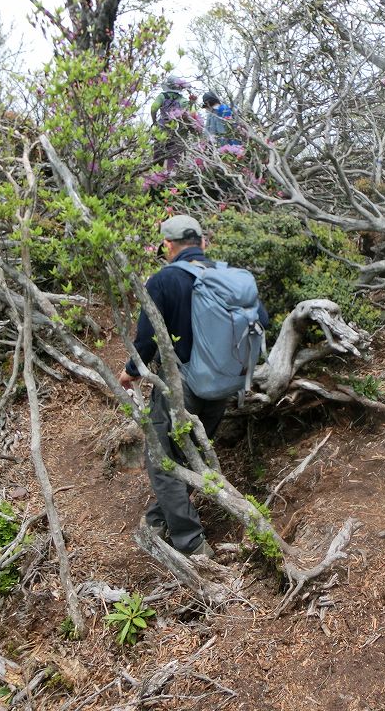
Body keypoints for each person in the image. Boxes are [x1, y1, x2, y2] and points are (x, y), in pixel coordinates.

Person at [118, 214, 268, 558]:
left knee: (161, 461)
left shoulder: (164, 280)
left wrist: (130, 372)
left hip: (181, 385)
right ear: (203, 242)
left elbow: (147, 339)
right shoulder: (226, 278)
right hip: (223, 386)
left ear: (168, 246)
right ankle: (158, 520)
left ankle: (192, 544)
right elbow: (261, 320)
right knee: (192, 456)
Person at [150, 75, 195, 170]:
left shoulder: (162, 96)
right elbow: (191, 114)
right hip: (177, 131)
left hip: (162, 129)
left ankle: (156, 179)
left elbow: (154, 108)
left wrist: (154, 122)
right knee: (174, 158)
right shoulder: (183, 100)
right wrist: (191, 103)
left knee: (158, 157)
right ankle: (171, 177)